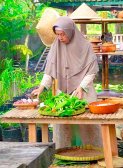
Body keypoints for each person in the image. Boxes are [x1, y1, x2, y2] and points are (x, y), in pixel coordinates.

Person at [31, 16, 102, 149]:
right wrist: (41, 87)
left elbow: (91, 71)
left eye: (62, 34)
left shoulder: (85, 46)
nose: (60, 38)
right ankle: (63, 153)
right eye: (57, 35)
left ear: (70, 32)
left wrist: (81, 87)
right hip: (63, 95)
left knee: (87, 126)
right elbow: (50, 70)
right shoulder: (56, 46)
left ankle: (93, 154)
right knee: (63, 127)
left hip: (83, 94)